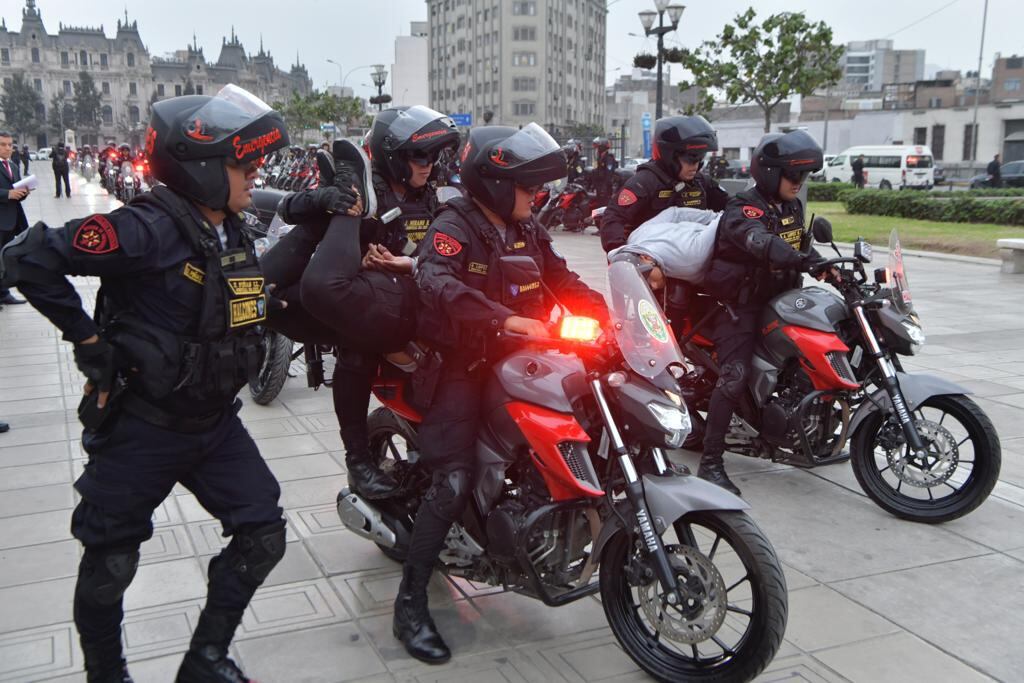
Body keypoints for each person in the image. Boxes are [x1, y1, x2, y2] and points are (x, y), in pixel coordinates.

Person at [0, 84, 292, 683]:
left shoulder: (232, 227)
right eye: (241, 163)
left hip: (214, 424)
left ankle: (205, 659)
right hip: (143, 426)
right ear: (200, 168)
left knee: (263, 534)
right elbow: (28, 256)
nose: (254, 173)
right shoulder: (145, 228)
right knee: (109, 565)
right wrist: (88, 342)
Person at [395, 123, 607, 664]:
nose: (537, 195)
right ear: (493, 183)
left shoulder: (526, 226)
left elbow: (562, 279)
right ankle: (411, 602)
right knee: (453, 478)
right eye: (528, 186)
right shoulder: (454, 224)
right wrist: (504, 319)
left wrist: (613, 319)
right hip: (461, 364)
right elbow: (435, 280)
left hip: (526, 359)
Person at [269, 105, 460, 501]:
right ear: (393, 156)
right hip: (349, 298)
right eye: (418, 155)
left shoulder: (433, 195)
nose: (428, 164)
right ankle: (358, 460)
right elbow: (288, 208)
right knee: (356, 346)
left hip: (410, 299)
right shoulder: (365, 191)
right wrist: (330, 197)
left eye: (433, 155)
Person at [699, 129, 826, 496]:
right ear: (770, 173)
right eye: (793, 174)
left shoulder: (791, 207)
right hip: (740, 307)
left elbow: (799, 245)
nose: (799, 182)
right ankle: (710, 463)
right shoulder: (743, 207)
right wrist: (797, 259)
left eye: (804, 175)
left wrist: (829, 267)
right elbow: (760, 240)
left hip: (780, 301)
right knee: (734, 376)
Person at [600, 115, 729, 253]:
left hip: (693, 255)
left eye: (700, 158)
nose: (696, 166)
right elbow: (613, 217)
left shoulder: (701, 182)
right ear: (670, 155)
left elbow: (730, 206)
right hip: (651, 255)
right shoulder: (644, 183)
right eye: (690, 158)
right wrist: (622, 251)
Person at [0, 130, 30, 306]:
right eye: (3, 145)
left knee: (5, 258)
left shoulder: (13, 166)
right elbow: (8, 193)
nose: (7, 148)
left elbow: (16, 193)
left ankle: (3, 293)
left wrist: (23, 193)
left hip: (11, 221)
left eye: (10, 145)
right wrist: (7, 194)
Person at [590, 136, 618, 206]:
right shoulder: (600, 157)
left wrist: (604, 188)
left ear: (602, 147)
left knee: (604, 205)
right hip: (600, 187)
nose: (597, 150)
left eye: (598, 147)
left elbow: (609, 174)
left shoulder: (609, 158)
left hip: (605, 188)